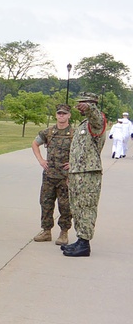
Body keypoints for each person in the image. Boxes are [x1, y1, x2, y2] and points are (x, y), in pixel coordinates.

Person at [61, 94, 107, 257]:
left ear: (91, 104)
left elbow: (96, 118)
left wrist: (90, 109)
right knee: (77, 207)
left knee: (86, 207)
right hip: (78, 173)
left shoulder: (96, 121)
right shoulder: (83, 124)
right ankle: (80, 240)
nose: (79, 106)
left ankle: (85, 243)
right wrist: (71, 169)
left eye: (83, 104)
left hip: (88, 174)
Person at [31, 104, 73, 245]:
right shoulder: (48, 132)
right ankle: (46, 231)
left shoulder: (74, 133)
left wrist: (74, 164)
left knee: (65, 206)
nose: (61, 116)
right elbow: (35, 144)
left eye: (64, 113)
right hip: (49, 176)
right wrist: (41, 160)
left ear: (69, 116)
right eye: (59, 113)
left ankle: (64, 233)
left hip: (65, 177)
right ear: (56, 115)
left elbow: (83, 151)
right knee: (46, 203)